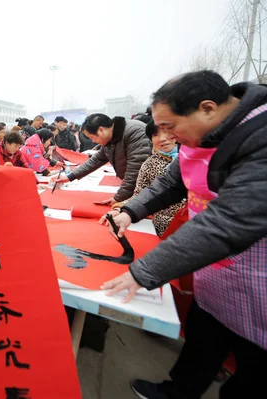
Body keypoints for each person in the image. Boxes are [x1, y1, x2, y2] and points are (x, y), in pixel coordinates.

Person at [100, 70, 267, 399]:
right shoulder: (205, 134)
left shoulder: (260, 136)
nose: (167, 136)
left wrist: (145, 271)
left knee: (255, 364)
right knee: (204, 337)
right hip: (214, 264)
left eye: (170, 126)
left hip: (257, 274)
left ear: (207, 108)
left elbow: (231, 220)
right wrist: (130, 211)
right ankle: (178, 391)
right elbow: (171, 183)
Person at [104, 119, 185, 238]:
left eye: (167, 131)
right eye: (155, 135)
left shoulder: (195, 159)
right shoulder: (149, 165)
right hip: (165, 227)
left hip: (198, 224)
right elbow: (140, 194)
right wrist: (121, 210)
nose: (162, 138)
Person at [64, 113, 151, 204]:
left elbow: (135, 171)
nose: (93, 141)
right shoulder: (110, 137)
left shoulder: (134, 132)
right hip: (137, 187)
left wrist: (118, 198)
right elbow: (96, 160)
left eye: (92, 137)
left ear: (101, 130)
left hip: (149, 190)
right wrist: (70, 176)